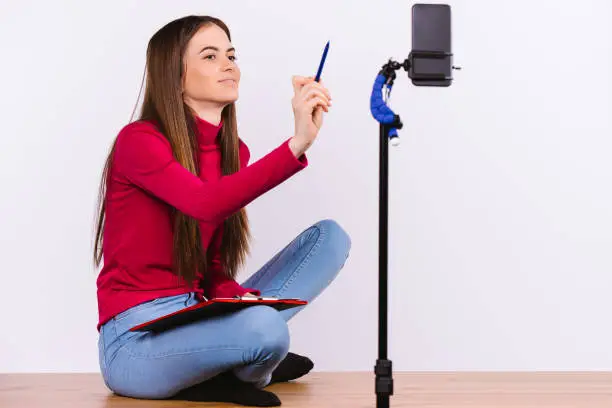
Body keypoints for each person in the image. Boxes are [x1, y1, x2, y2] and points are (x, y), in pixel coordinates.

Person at [92, 15, 351, 407]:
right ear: (175, 77)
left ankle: (236, 362)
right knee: (267, 330)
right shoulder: (139, 141)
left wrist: (237, 296)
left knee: (329, 239)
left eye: (231, 54)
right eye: (211, 56)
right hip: (135, 342)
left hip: (198, 314)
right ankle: (249, 362)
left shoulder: (235, 152)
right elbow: (203, 204)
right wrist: (296, 144)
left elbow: (210, 267)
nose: (229, 65)